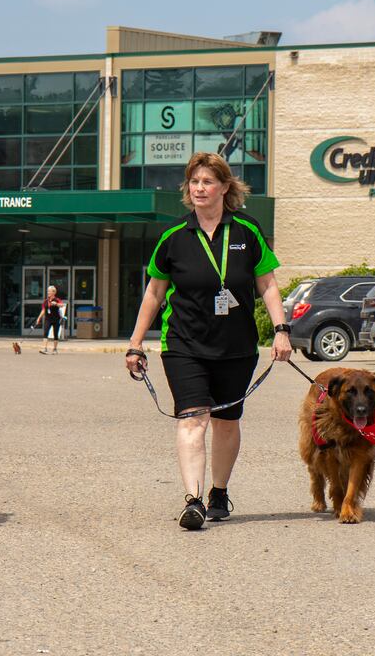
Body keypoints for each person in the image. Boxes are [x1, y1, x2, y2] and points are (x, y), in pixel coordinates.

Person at [123, 152, 292, 530]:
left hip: (237, 347)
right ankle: (194, 499)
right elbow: (154, 292)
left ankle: (219, 490)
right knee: (192, 418)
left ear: (225, 187)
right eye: (194, 182)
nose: (199, 188)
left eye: (207, 182)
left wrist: (281, 330)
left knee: (226, 421)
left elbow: (267, 284)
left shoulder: (247, 231)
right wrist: (136, 343)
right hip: (184, 344)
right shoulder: (173, 236)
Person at [34, 285, 64, 354]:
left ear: (54, 292)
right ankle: (45, 349)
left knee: (55, 334)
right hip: (48, 319)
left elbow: (62, 305)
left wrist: (56, 304)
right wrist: (39, 318)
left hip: (56, 319)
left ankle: (55, 349)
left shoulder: (57, 300)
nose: (48, 293)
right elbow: (43, 310)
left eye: (49, 291)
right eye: (48, 291)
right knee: (45, 333)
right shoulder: (46, 301)